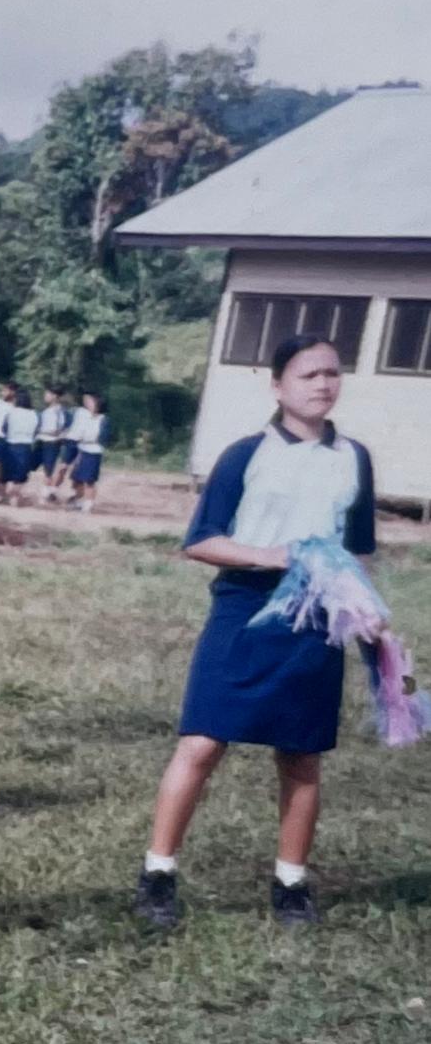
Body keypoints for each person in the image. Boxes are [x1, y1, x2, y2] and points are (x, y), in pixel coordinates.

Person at [135, 336, 374, 932]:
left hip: (316, 619)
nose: (322, 384)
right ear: (277, 386)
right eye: (308, 374)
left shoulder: (354, 457)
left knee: (301, 756)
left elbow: (357, 551)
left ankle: (291, 884)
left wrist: (368, 616)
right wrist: (274, 555)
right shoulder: (246, 454)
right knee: (202, 742)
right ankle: (158, 873)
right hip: (244, 610)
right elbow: (200, 540)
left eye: (332, 373)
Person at [0, 383, 41, 506]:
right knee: (20, 473)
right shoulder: (34, 414)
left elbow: (4, 428)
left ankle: (0, 495)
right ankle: (14, 498)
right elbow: (36, 430)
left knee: (5, 471)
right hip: (25, 446)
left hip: (10, 443)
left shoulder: (11, 413)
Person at [66, 389, 108, 512]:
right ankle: (78, 500)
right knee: (77, 478)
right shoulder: (84, 416)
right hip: (82, 449)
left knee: (89, 480)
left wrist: (87, 438)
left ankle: (88, 504)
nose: (88, 404)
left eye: (90, 402)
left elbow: (102, 437)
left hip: (93, 451)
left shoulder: (102, 419)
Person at [34, 385, 75, 504]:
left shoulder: (60, 412)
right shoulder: (46, 411)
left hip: (51, 442)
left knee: (49, 469)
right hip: (42, 441)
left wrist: (41, 431)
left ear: (55, 396)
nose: (45, 396)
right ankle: (48, 492)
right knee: (40, 466)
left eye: (48, 394)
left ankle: (46, 494)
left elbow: (58, 429)